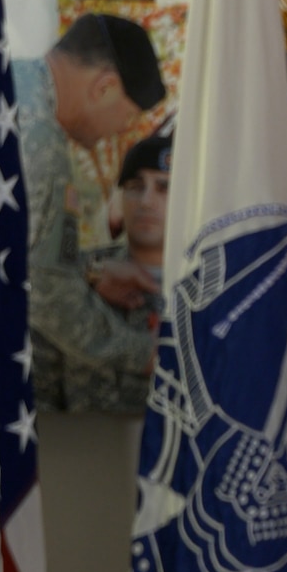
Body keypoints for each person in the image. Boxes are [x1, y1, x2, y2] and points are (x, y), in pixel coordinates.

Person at [15, 14, 166, 413]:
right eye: (128, 116)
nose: (120, 132)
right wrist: (144, 354)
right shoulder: (42, 144)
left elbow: (13, 262)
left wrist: (90, 274)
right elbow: (48, 298)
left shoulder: (4, 84)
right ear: (104, 88)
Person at [76, 133, 172, 410]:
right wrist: (90, 276)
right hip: (79, 442)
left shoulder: (216, 284)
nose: (146, 201)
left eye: (164, 188)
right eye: (134, 186)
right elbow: (34, 283)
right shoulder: (82, 271)